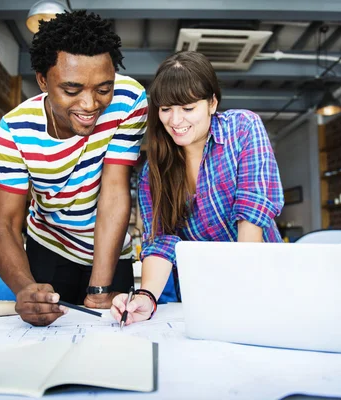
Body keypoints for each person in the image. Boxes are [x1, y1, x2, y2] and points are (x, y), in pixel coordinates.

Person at [0, 11, 147, 326]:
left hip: (110, 251)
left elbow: (114, 191)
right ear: (43, 80)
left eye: (103, 89)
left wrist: (100, 288)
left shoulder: (129, 99)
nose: (90, 105)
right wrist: (25, 289)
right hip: (49, 246)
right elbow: (3, 225)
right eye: (72, 90)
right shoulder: (14, 132)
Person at [111, 51, 284, 326]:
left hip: (259, 282)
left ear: (212, 103)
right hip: (201, 294)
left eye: (188, 108)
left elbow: (254, 209)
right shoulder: (152, 172)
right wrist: (145, 296)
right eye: (166, 109)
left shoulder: (243, 128)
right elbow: (161, 241)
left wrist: (244, 288)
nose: (176, 121)